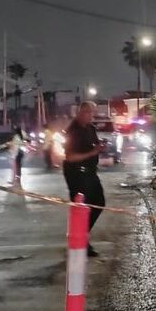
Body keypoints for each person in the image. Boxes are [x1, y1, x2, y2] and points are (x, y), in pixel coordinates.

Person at [63, 102, 106, 257]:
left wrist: (99, 148)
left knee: (99, 203)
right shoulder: (73, 131)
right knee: (81, 207)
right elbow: (70, 157)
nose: (91, 115)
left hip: (90, 172)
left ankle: (81, 234)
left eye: (92, 112)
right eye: (88, 112)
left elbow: (92, 147)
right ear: (79, 112)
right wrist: (92, 152)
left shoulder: (90, 128)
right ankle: (79, 240)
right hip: (77, 173)